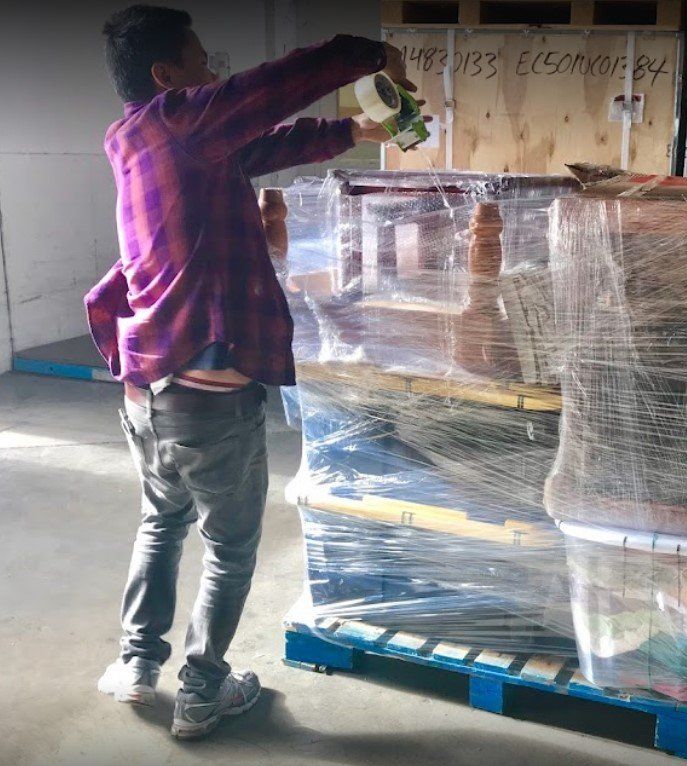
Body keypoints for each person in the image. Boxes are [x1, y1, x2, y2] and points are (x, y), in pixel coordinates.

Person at [87, 5, 418, 738]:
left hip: (149, 386)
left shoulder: (139, 138)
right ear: (165, 76)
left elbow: (254, 144)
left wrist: (350, 133)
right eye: (203, 65)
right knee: (232, 551)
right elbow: (274, 88)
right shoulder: (181, 119)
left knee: (161, 522)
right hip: (210, 393)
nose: (214, 75)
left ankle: (137, 666)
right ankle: (204, 693)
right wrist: (369, 52)